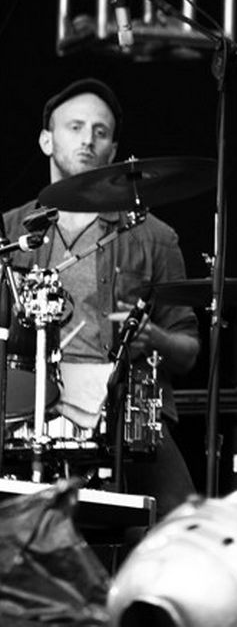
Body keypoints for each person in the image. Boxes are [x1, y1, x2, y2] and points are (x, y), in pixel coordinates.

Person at [2, 78, 199, 520]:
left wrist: (155, 338)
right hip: (28, 409)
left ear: (113, 151)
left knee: (180, 523)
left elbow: (188, 351)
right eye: (75, 127)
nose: (88, 139)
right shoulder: (12, 232)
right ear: (46, 140)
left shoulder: (154, 237)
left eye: (100, 131)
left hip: (122, 411)